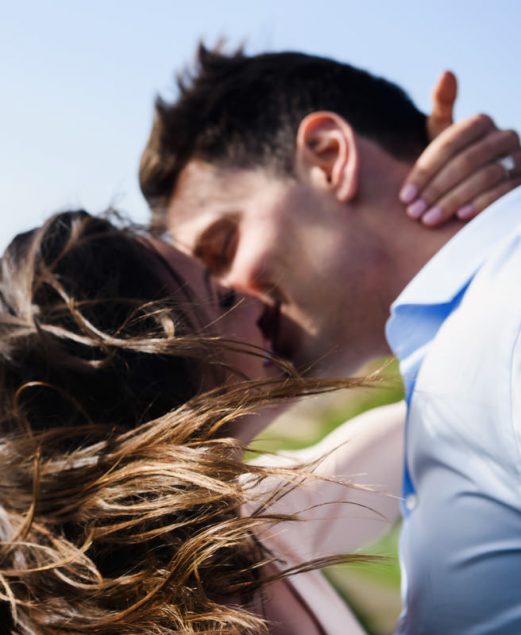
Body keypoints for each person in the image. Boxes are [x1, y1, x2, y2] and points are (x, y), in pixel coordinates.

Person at [141, 46, 521, 634]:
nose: (231, 310)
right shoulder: (452, 363)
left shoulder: (505, 319)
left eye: (223, 247)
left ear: (327, 156)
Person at [0, 209, 403, 634]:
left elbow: (417, 431)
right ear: (153, 386)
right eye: (222, 296)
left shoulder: (251, 528)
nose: (255, 299)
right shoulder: (245, 541)